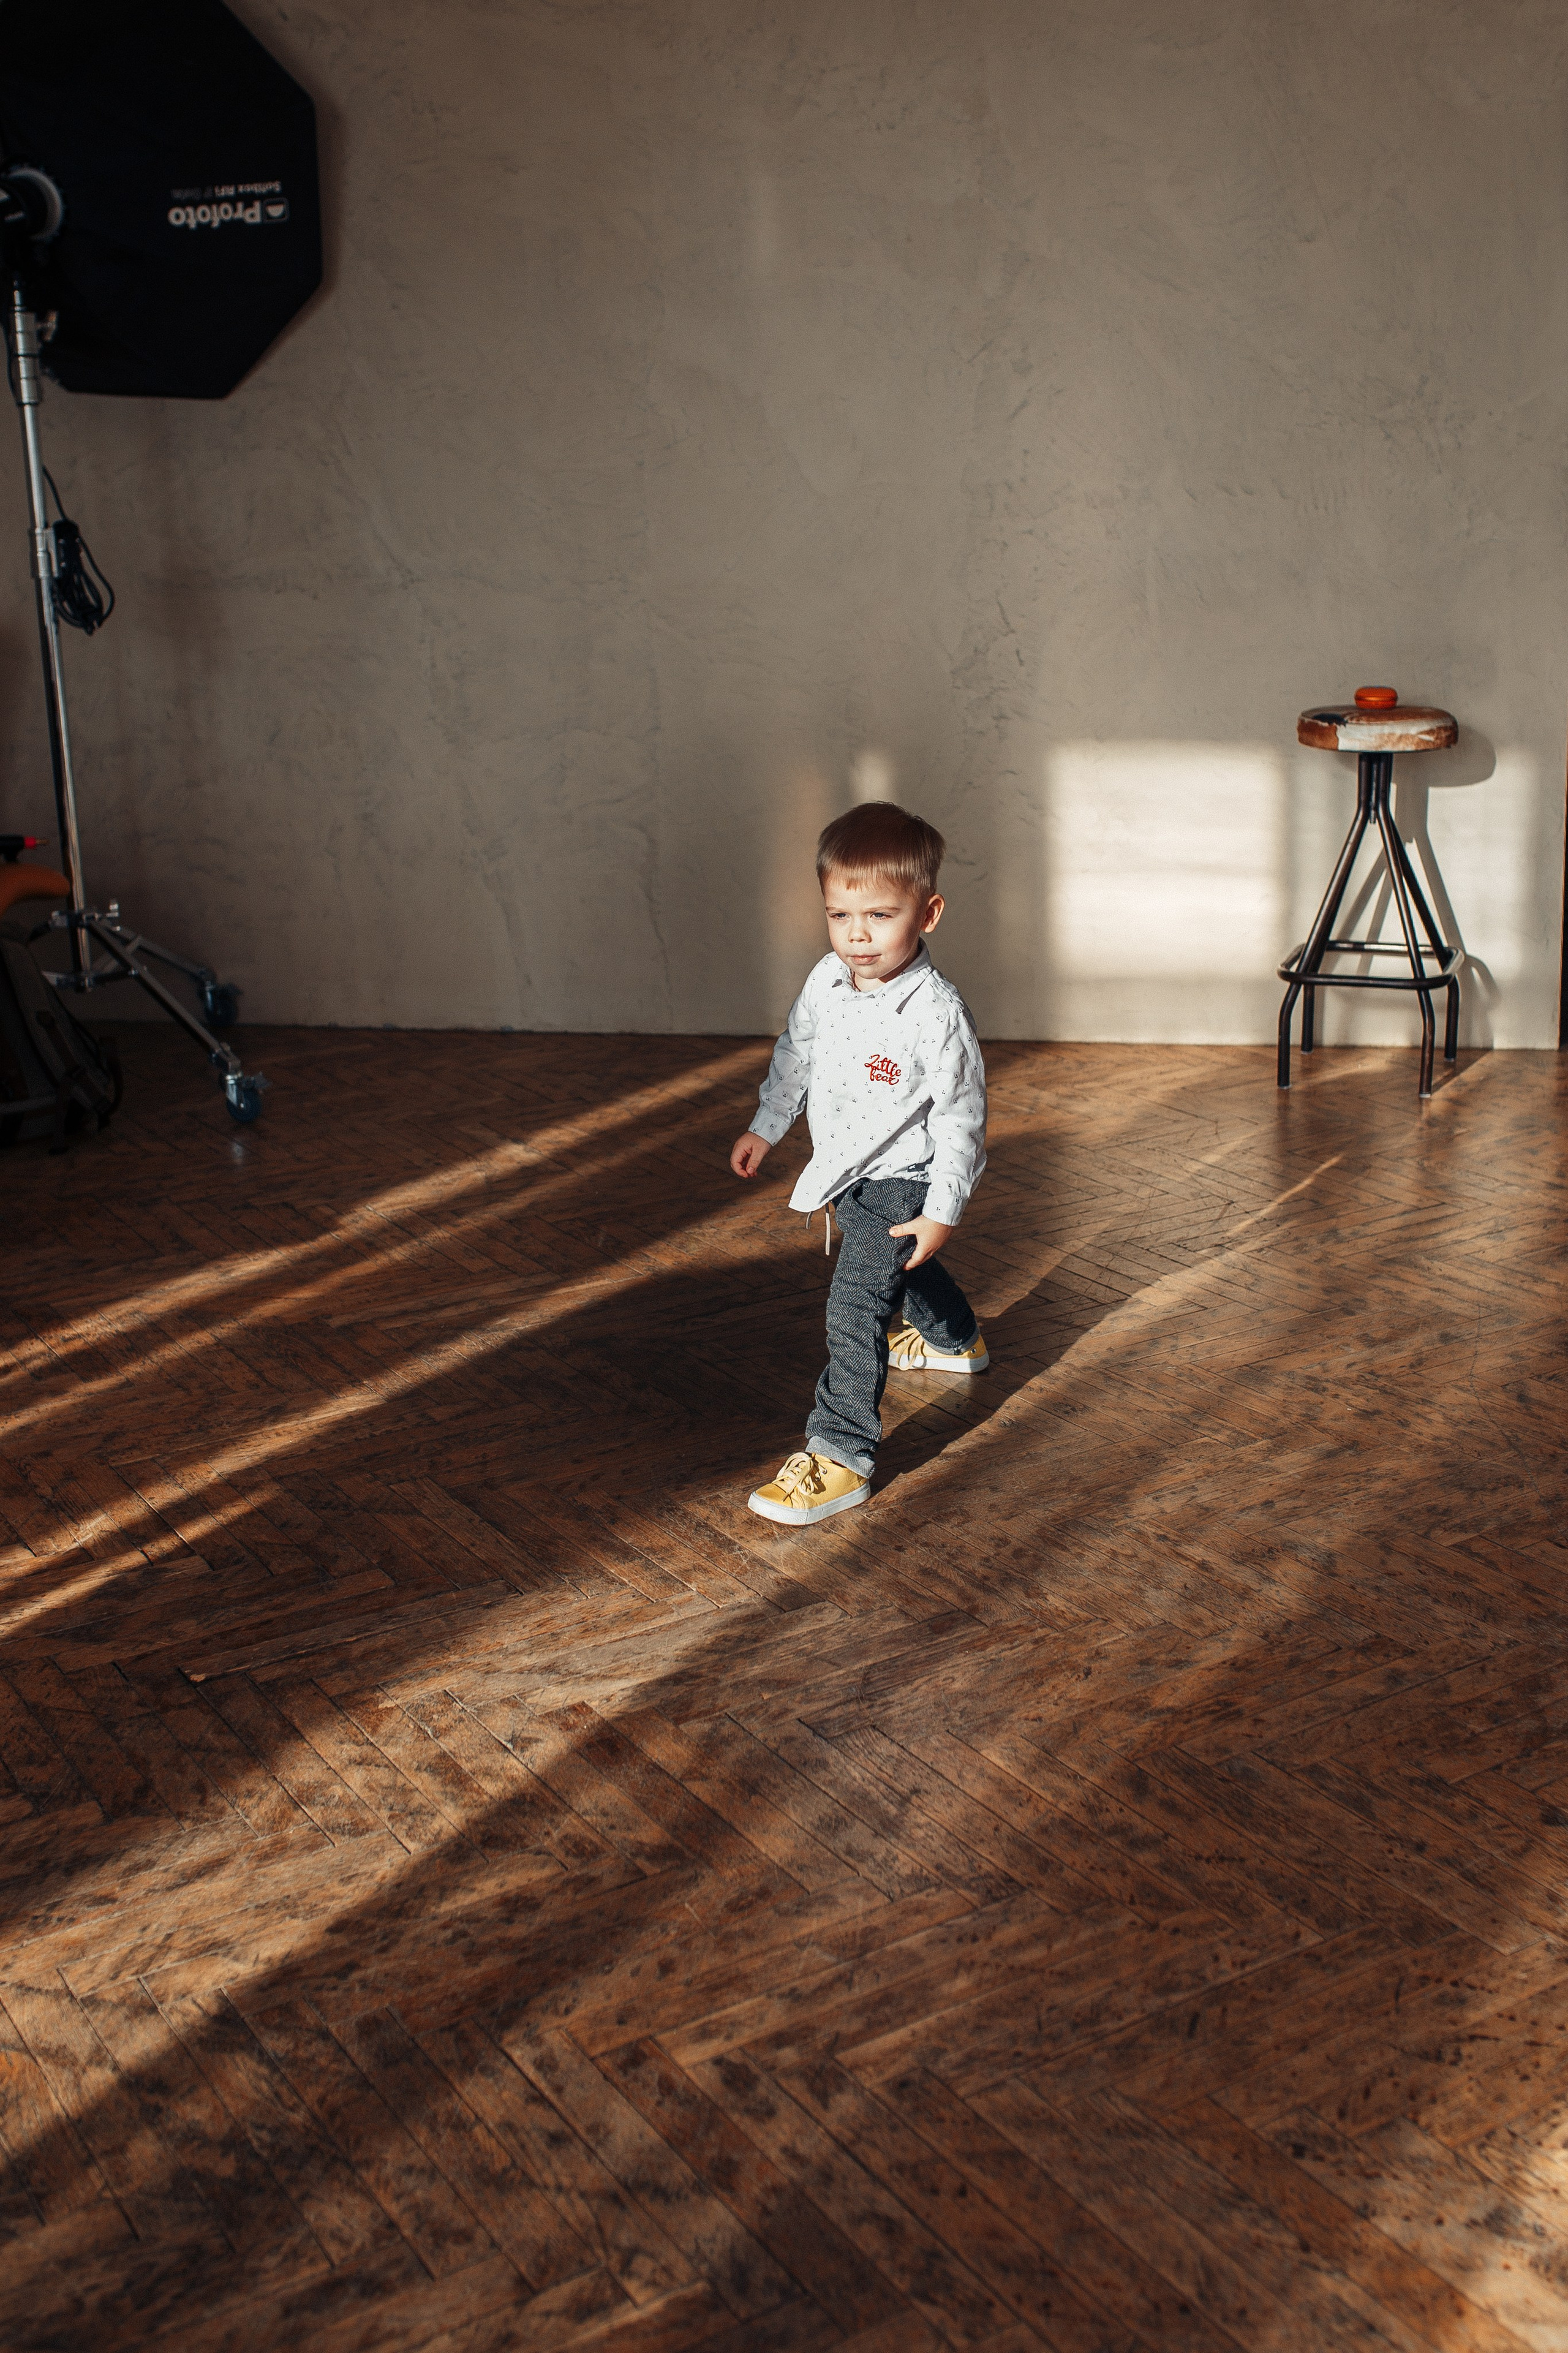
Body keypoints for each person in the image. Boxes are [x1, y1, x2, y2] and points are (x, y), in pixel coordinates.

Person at [729, 800, 988, 1526]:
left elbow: (962, 1119)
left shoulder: (936, 1013)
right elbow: (797, 1053)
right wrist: (766, 1126)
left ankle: (841, 1451)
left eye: (879, 915)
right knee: (898, 1266)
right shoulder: (827, 979)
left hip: (904, 1176)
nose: (857, 935)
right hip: (846, 1169)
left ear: (927, 913)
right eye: (840, 916)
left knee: (854, 1304)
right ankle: (955, 1340)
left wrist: (941, 1210)